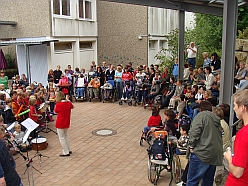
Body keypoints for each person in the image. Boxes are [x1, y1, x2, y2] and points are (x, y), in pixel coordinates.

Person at [187, 100, 223, 186]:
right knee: (208, 182)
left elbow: (194, 132)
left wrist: (191, 146)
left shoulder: (201, 116)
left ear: (200, 109)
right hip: (214, 155)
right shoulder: (216, 119)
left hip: (202, 153)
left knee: (192, 181)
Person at [224, 89, 248, 186]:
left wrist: (229, 158)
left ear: (242, 108)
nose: (234, 109)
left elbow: (238, 172)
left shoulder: (243, 134)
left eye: (235, 105)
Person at [54, 91, 74, 157]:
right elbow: (72, 106)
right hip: (67, 121)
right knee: (65, 136)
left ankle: (65, 152)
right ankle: (68, 149)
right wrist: (68, 100)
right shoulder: (68, 103)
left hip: (60, 122)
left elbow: (55, 111)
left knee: (62, 138)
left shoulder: (58, 104)